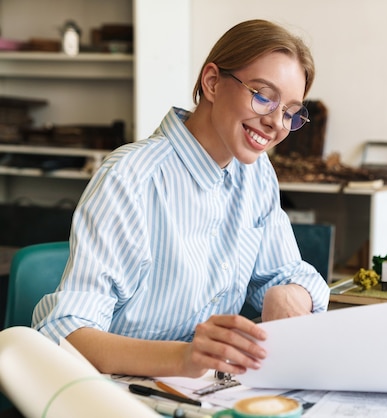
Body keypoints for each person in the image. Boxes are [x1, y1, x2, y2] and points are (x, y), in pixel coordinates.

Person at [33, 19, 330, 379]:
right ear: (212, 82)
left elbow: (283, 272)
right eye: (264, 96)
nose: (277, 124)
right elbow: (65, 333)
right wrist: (185, 358)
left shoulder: (255, 172)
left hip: (209, 392)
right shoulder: (131, 177)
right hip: (120, 396)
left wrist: (289, 293)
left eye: (290, 112)